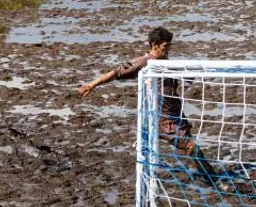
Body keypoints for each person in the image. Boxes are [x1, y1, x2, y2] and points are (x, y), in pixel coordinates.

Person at [78, 27, 218, 184]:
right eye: (165, 46)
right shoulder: (144, 63)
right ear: (154, 44)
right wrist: (92, 85)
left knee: (193, 149)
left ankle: (208, 177)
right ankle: (213, 180)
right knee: (192, 147)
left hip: (176, 115)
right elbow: (115, 72)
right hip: (162, 120)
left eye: (170, 46)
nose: (168, 49)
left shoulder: (168, 64)